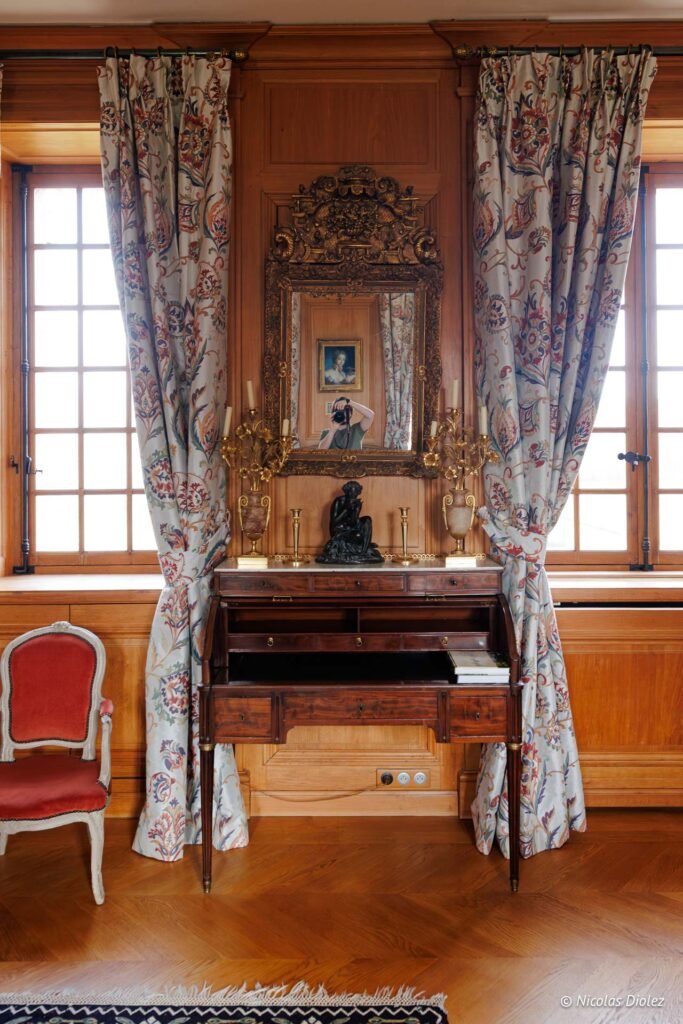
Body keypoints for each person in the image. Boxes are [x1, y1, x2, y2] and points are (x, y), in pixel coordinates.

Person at [316, 480, 383, 564]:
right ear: (346, 491)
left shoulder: (355, 503)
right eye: (351, 492)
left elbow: (353, 522)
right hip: (339, 529)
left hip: (350, 527)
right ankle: (361, 549)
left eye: (356, 493)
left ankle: (364, 549)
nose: (353, 495)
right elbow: (334, 521)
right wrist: (346, 509)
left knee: (367, 519)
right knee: (358, 535)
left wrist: (356, 511)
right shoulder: (339, 501)